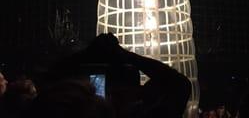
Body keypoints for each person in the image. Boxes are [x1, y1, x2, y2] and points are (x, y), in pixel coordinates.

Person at [52, 33, 191, 118]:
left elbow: (52, 76)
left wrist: (89, 53)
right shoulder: (148, 114)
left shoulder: (85, 111)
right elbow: (179, 83)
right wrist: (125, 55)